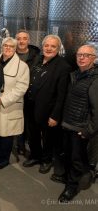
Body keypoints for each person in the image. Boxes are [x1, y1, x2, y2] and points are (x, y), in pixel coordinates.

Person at [23, 35, 71, 175]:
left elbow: (62, 95)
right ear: (42, 46)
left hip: (48, 110)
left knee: (48, 137)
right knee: (33, 134)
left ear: (58, 48)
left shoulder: (63, 67)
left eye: (53, 46)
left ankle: (46, 160)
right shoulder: (37, 60)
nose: (49, 48)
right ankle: (35, 156)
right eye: (46, 45)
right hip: (31, 105)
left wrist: (55, 116)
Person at [58, 45, 98, 202]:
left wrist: (88, 130)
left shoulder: (94, 80)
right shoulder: (75, 75)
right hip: (67, 123)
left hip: (80, 128)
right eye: (79, 55)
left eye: (86, 55)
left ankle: (72, 187)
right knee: (67, 154)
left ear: (93, 59)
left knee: (76, 159)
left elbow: (97, 110)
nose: (81, 58)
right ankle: (68, 179)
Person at [0, 37, 29, 169]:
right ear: (1, 47)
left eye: (11, 46)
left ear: (15, 49)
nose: (8, 48)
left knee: (6, 135)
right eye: (5, 46)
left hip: (8, 106)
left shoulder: (22, 67)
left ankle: (3, 159)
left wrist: (2, 100)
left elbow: (21, 88)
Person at [15, 30, 41, 156]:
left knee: (29, 122)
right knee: (17, 119)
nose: (21, 41)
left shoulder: (37, 56)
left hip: (30, 94)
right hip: (14, 93)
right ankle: (19, 144)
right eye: (19, 38)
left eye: (24, 38)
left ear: (29, 40)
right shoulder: (10, 54)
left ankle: (30, 146)